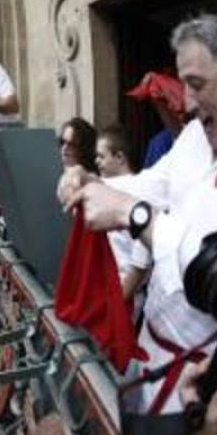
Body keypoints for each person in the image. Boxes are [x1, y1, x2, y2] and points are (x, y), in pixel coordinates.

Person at [58, 13, 217, 416]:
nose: (185, 103)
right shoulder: (193, 136)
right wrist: (86, 180)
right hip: (147, 351)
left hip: (201, 384)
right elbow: (147, 185)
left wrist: (134, 215)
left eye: (196, 85)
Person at [96, 125, 151, 323]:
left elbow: (142, 257)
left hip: (122, 293)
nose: (96, 162)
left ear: (119, 157)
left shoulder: (140, 189)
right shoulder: (106, 188)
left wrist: (120, 298)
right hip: (109, 291)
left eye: (101, 156)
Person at [127, 71, 185, 168]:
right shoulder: (157, 144)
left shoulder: (201, 136)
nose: (163, 110)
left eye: (165, 101)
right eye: (157, 104)